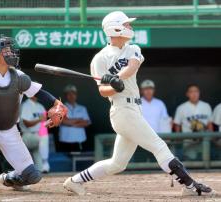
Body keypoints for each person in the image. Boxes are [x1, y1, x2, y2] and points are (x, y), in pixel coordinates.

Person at [63, 11, 213, 196]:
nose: (129, 27)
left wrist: (116, 78)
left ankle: (74, 181)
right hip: (122, 111)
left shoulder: (132, 48)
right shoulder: (100, 59)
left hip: (134, 109)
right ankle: (190, 187)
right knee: (159, 146)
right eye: (125, 25)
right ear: (115, 28)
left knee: (118, 163)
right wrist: (114, 87)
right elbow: (103, 91)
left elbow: (132, 66)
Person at [0, 36, 66, 190]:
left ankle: (9, 178)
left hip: (9, 131)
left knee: (32, 176)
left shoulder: (18, 76)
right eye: (6, 51)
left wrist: (57, 105)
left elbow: (41, 93)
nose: (11, 53)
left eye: (11, 50)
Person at [174, 84, 213, 160]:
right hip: (188, 142)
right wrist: (179, 141)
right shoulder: (181, 108)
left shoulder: (206, 106)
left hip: (204, 142)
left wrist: (210, 138)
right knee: (190, 163)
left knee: (205, 162)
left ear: (199, 93)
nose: (194, 94)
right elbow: (177, 125)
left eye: (196, 91)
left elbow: (210, 124)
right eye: (191, 92)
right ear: (187, 94)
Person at [21, 97, 50, 173]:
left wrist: (54, 119)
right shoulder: (26, 105)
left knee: (41, 169)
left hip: (37, 135)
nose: (37, 94)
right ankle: (45, 162)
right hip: (27, 136)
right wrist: (39, 119)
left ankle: (42, 167)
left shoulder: (40, 106)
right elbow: (26, 124)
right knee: (42, 138)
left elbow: (44, 124)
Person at [59, 85, 91, 152]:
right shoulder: (60, 107)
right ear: (65, 95)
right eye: (68, 94)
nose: (71, 96)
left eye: (73, 93)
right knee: (66, 161)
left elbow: (87, 122)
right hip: (65, 139)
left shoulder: (82, 108)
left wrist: (70, 123)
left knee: (78, 160)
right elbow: (63, 121)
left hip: (80, 139)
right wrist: (79, 119)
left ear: (76, 95)